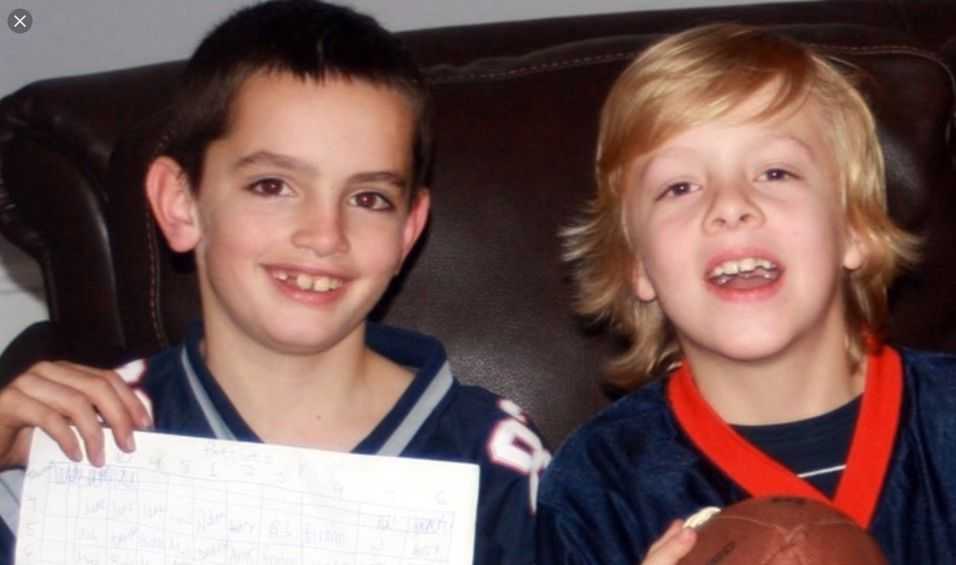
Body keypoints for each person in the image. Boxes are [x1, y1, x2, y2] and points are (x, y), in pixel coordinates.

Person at [0, 2, 549, 564]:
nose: (323, 234)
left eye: (368, 199)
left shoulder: (493, 453)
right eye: (271, 186)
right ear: (180, 204)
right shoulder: (86, 436)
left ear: (408, 230)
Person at [535, 23, 955, 565]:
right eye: (679, 187)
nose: (729, 206)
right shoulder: (598, 484)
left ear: (855, 230)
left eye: (775, 172)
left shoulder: (943, 425)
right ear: (636, 264)